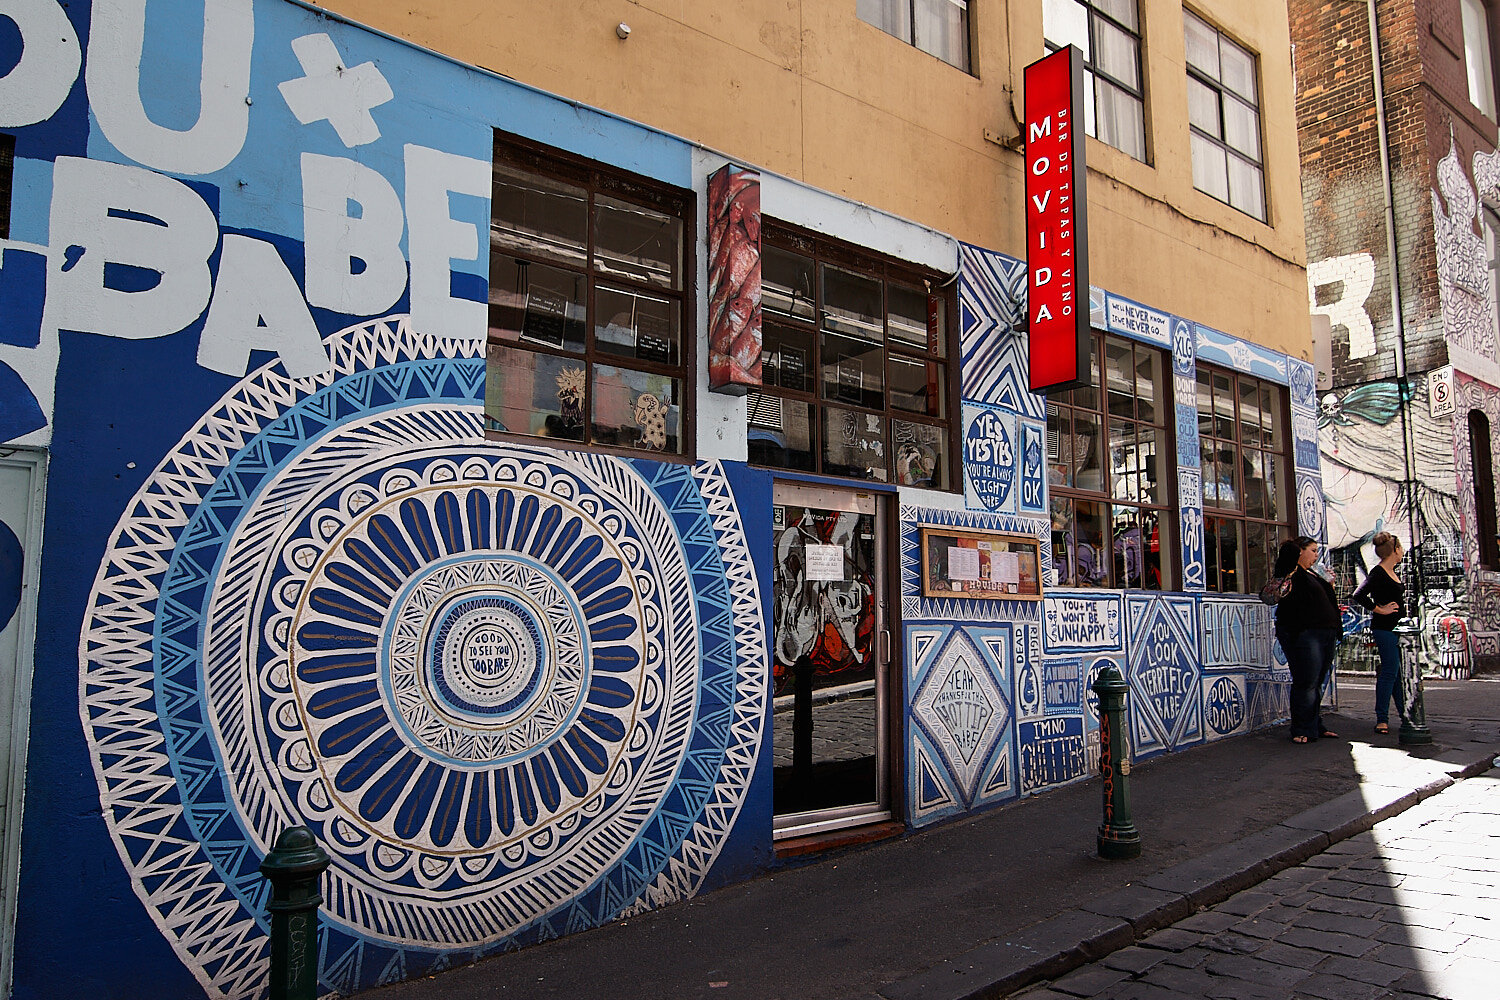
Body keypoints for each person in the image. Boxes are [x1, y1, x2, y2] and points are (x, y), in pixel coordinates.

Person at [1273, 536, 1341, 744]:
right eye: (1312, 550)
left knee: (1318, 681)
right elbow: (1280, 592)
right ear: (1299, 552)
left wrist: (1330, 583)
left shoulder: (1314, 573)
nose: (1316, 555)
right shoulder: (1292, 573)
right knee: (1307, 680)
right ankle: (1301, 728)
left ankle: (1314, 725)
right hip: (1304, 632)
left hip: (1324, 631)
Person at [1353, 532, 1405, 734]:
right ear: (1395, 550)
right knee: (1389, 672)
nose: (1402, 552)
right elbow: (1359, 595)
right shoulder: (1378, 573)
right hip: (1385, 628)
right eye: (1400, 548)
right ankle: (1381, 718)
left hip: (1397, 628)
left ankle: (1403, 713)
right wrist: (1380, 609)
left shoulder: (1392, 571)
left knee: (1397, 673)